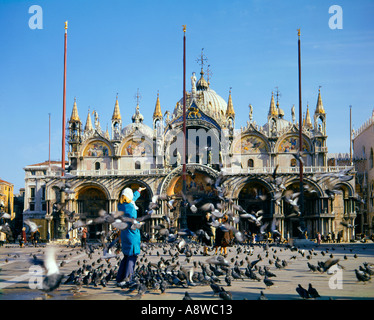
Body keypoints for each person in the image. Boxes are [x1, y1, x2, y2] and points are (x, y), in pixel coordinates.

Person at [116, 186, 146, 286]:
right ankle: (128, 278)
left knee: (126, 256)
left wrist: (138, 191)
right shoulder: (131, 207)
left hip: (124, 233)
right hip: (132, 234)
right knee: (132, 256)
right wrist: (139, 224)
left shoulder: (121, 204)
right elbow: (133, 220)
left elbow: (132, 199)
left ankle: (120, 277)